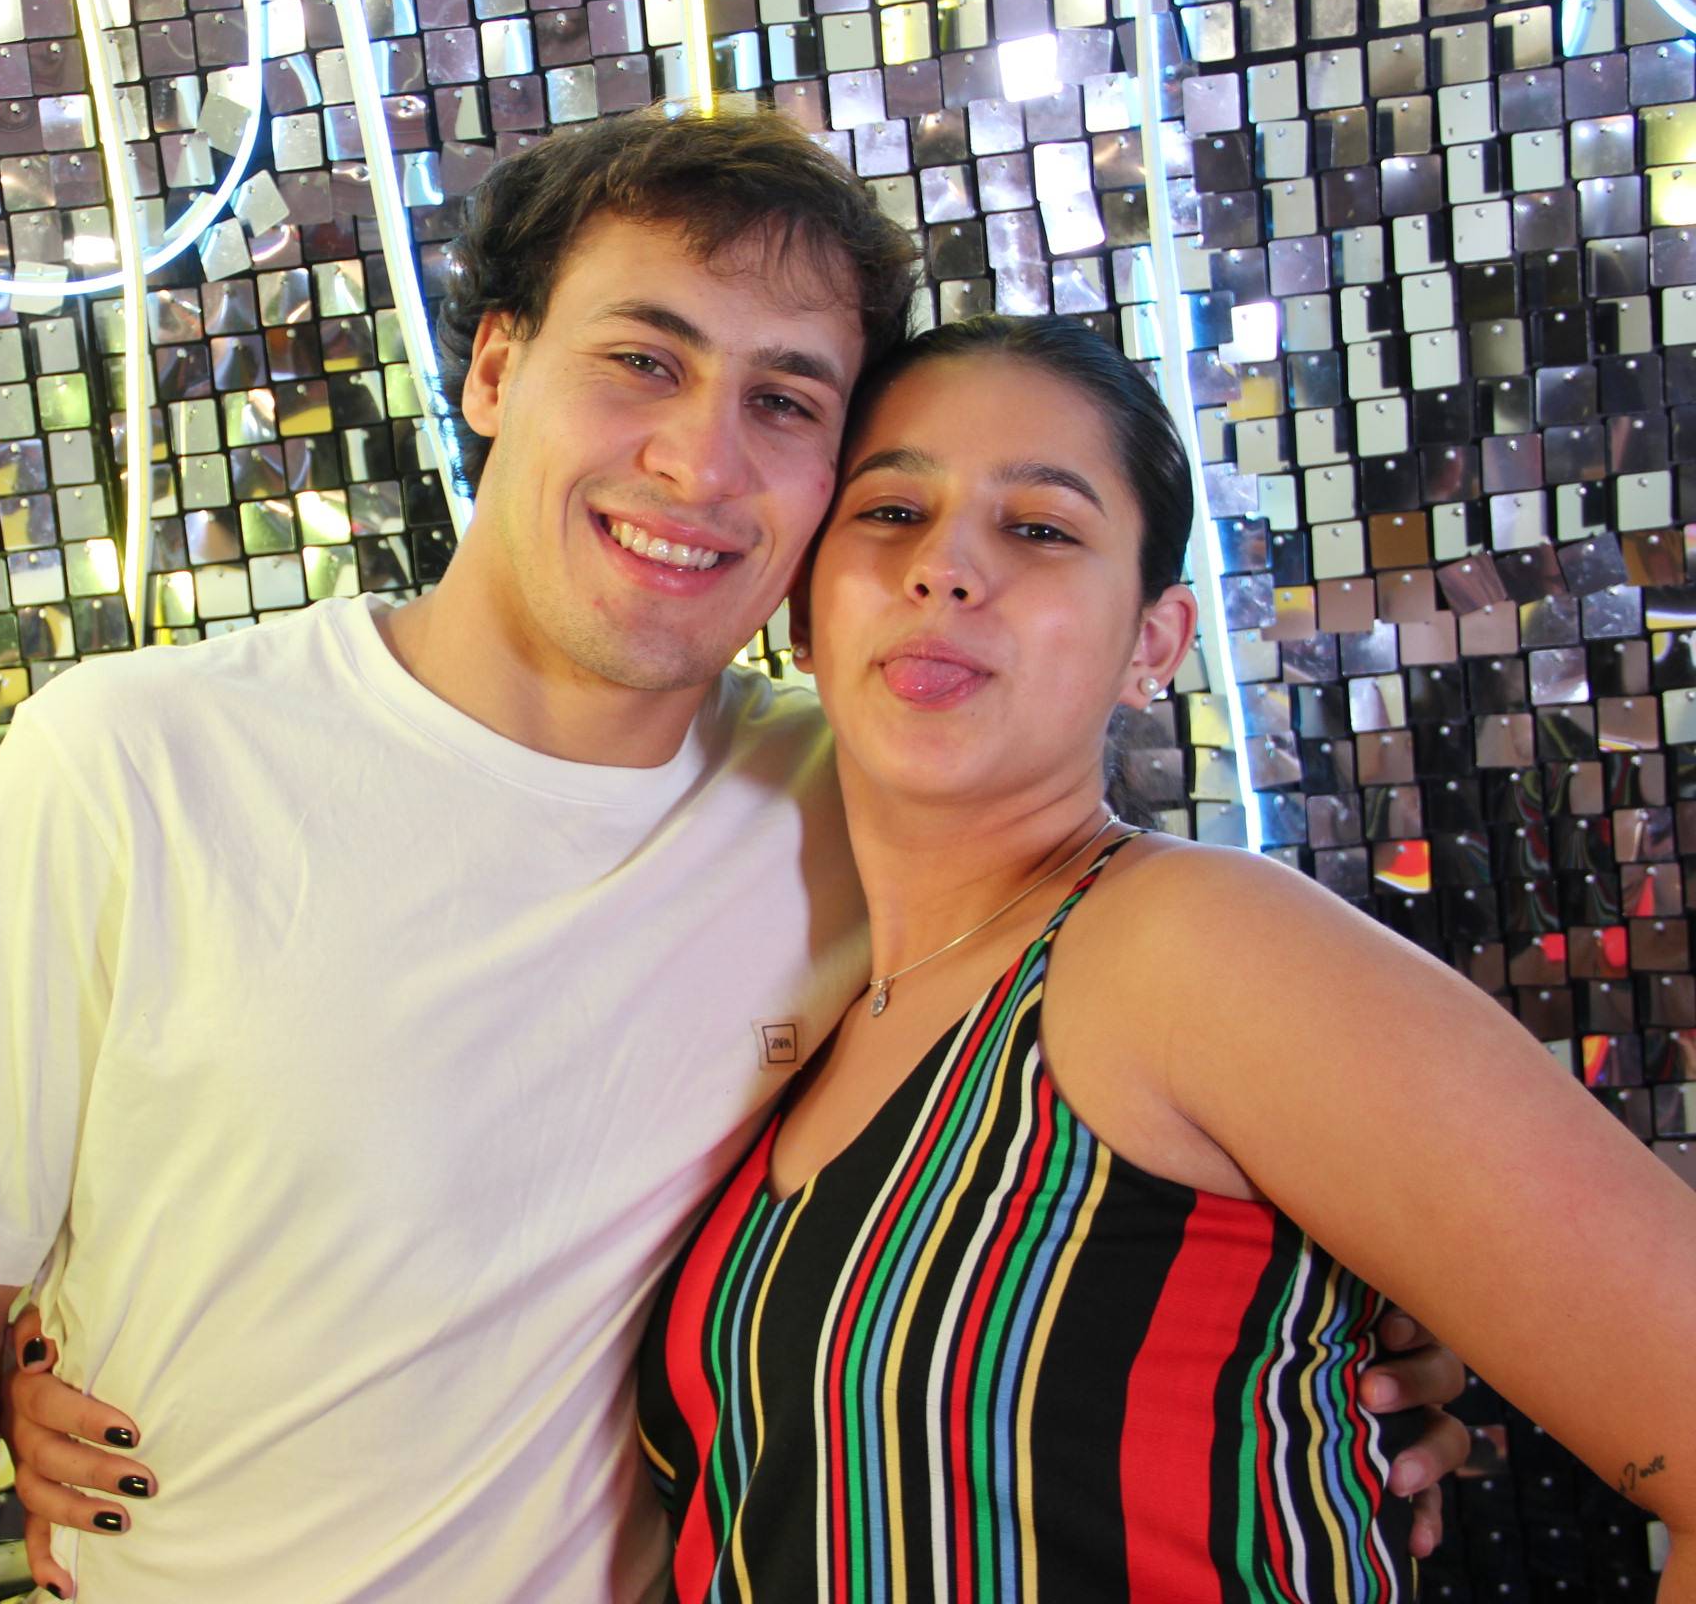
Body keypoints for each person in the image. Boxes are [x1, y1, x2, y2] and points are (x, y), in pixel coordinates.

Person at [0, 109, 1469, 1603]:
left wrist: (1354, 1336)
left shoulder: (870, 810)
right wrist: (35, 1368)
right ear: (493, 370)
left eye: (784, 402)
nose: (699, 460)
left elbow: (1178, 1092)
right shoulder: (135, 760)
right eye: (640, 361)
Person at [634, 315, 1696, 1600]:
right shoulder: (817, 1009)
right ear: (805, 607)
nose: (945, 570)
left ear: (1155, 642)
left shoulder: (1197, 946)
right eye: (892, 512)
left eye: (1040, 529)